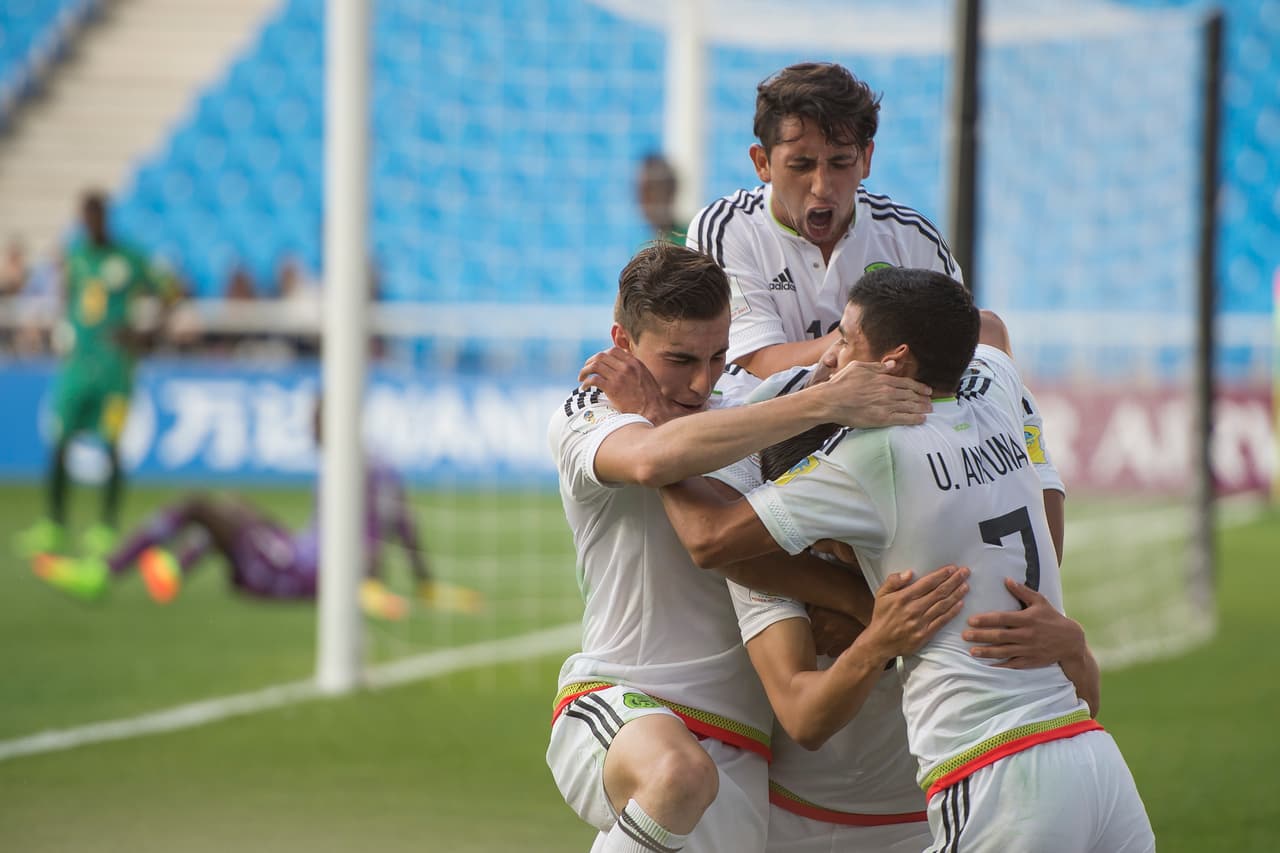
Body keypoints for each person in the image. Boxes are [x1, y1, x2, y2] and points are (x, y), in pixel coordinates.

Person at [658, 268, 1153, 852]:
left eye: (846, 339)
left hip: (996, 775)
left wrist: (656, 428)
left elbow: (710, 538)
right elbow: (988, 329)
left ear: (893, 363)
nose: (832, 360)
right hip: (1091, 754)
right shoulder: (991, 385)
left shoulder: (874, 455)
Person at [547, 241, 954, 853]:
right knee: (676, 776)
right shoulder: (592, 411)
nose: (702, 380)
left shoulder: (744, 403)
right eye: (679, 358)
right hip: (625, 701)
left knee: (691, 778)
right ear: (623, 343)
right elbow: (655, 459)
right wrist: (823, 400)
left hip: (743, 752)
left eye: (717, 355)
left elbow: (850, 360)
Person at [32, 399, 480, 619]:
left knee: (202, 507)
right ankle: (171, 567)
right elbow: (402, 524)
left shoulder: (360, 466)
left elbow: (390, 530)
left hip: (301, 570)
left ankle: (106, 574)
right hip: (302, 556)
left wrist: (370, 583)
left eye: (316, 418)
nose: (309, 427)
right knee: (231, 511)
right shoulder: (370, 463)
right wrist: (424, 585)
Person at [687, 61, 962, 380]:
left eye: (840, 162)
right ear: (763, 163)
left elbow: (953, 356)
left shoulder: (913, 238)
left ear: (866, 159)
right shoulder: (727, 229)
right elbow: (754, 365)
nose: (822, 185)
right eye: (801, 165)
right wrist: (871, 334)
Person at [15, 191, 176, 559]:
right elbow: (67, 295)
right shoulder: (75, 255)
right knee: (59, 442)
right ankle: (54, 524)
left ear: (106, 217)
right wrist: (64, 326)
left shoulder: (131, 257)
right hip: (76, 366)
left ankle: (106, 525)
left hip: (116, 368)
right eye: (85, 217)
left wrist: (147, 333)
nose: (91, 224)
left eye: (96, 216)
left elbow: (172, 292)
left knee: (111, 445)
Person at [636, 153, 686, 246]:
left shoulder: (693, 241)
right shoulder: (641, 247)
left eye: (651, 189)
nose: (645, 199)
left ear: (671, 191)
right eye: (641, 191)